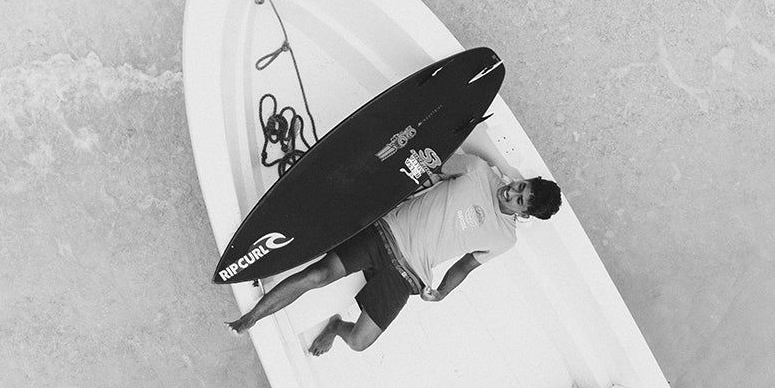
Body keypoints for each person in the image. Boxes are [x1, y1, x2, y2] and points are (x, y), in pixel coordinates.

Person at [226, 153, 562, 354]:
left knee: (359, 343)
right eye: (521, 186)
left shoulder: (506, 239)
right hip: (384, 232)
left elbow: (467, 265)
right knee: (318, 275)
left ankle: (335, 327)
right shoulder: (478, 169)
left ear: (525, 214)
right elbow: (425, 163)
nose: (512, 191)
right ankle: (249, 319)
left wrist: (443, 291)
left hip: (411, 274)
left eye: (519, 199)